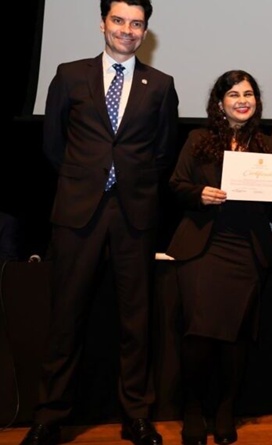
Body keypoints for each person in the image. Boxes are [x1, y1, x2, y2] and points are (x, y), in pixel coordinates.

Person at [20, 1, 179, 445]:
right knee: (65, 317)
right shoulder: (69, 74)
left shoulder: (161, 85)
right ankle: (50, 415)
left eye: (137, 24)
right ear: (103, 23)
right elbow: (53, 143)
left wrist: (129, 183)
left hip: (135, 215)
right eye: (119, 21)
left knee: (136, 320)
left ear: (145, 30)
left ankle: (136, 416)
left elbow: (163, 152)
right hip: (77, 212)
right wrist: (86, 181)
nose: (127, 30)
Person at [166, 70, 272, 445]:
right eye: (234, 94)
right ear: (220, 102)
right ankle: (193, 409)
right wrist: (199, 195)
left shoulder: (269, 147)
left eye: (249, 94)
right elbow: (176, 186)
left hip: (247, 252)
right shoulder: (198, 140)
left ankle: (226, 410)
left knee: (237, 339)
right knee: (199, 336)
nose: (243, 100)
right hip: (203, 250)